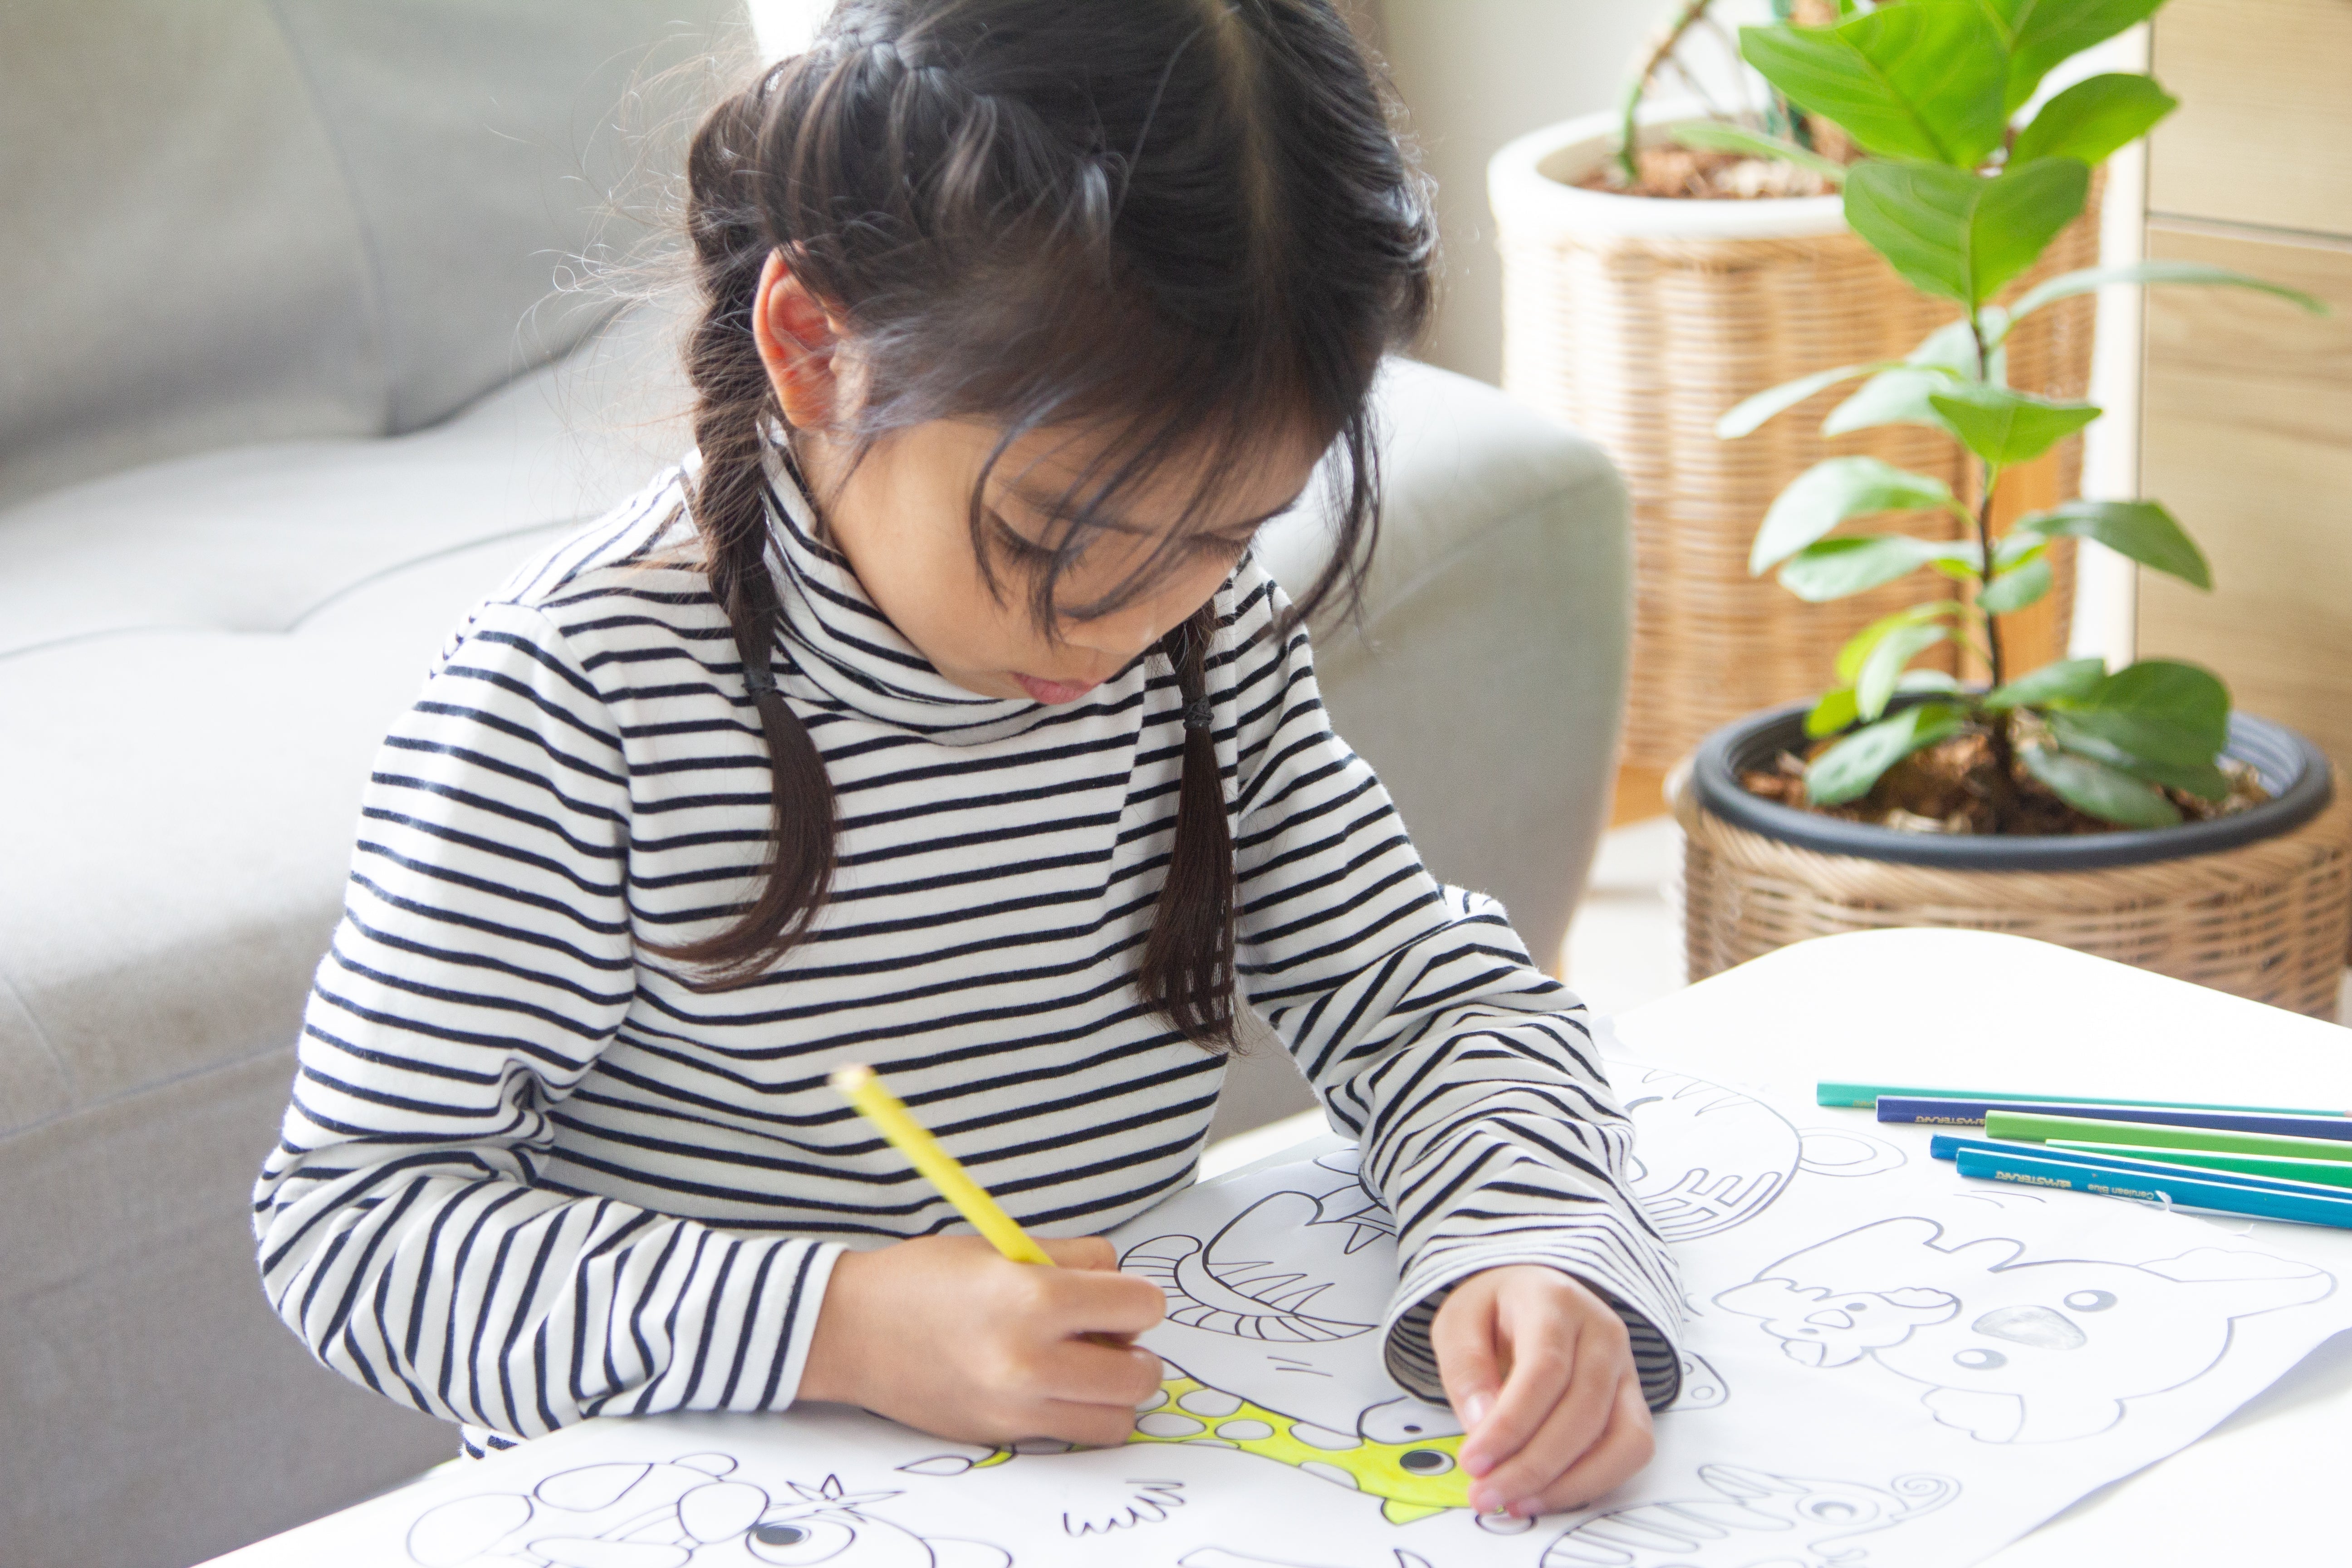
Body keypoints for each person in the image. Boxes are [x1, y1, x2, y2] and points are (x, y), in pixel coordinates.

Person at [252, 0, 1683, 1523]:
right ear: (815, 346)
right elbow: (357, 1228)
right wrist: (846, 1322)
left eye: (1223, 536)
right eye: (1055, 538)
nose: (1131, 628)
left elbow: (1424, 994)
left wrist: (1526, 1241)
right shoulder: (574, 703)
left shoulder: (1207, 643)